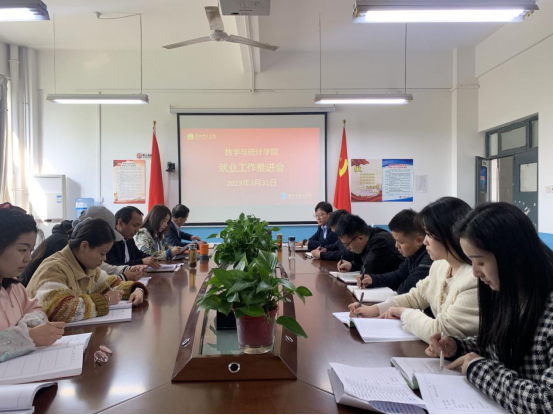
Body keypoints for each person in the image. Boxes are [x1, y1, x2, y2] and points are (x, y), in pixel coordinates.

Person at [426, 203, 553, 414]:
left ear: (514, 257)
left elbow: (547, 403)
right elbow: (501, 346)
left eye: (480, 262)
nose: (475, 273)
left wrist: (479, 370)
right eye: (471, 262)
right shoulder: (509, 291)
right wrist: (458, 347)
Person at [349, 197, 478, 344]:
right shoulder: (441, 265)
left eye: (429, 234)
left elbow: (442, 332)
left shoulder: (473, 278)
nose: (425, 241)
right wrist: (374, 309)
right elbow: (415, 297)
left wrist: (404, 314)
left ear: (449, 235)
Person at [27, 218, 148, 323]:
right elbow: (58, 310)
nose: (104, 259)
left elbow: (111, 285)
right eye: (102, 253)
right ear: (84, 246)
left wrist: (136, 289)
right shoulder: (54, 268)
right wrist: (106, 300)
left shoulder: (88, 267)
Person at [0, 203, 65, 363]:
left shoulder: (15, 288)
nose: (28, 258)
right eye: (22, 250)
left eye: (31, 250)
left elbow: (35, 309)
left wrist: (30, 325)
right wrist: (27, 336)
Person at [21, 207, 146, 287]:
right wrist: (107, 297)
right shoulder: (62, 246)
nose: (104, 258)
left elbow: (102, 273)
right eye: (102, 253)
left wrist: (132, 281)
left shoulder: (83, 254)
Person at [357, 209, 433, 295]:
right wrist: (373, 280)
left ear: (419, 240)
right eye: (395, 241)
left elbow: (406, 289)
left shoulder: (429, 258)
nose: (396, 245)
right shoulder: (413, 255)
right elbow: (399, 275)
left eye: (401, 242)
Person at [336, 214, 404, 275]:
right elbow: (366, 264)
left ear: (360, 238)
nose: (347, 248)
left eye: (347, 244)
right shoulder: (366, 235)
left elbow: (367, 271)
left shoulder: (380, 242)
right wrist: (351, 266)